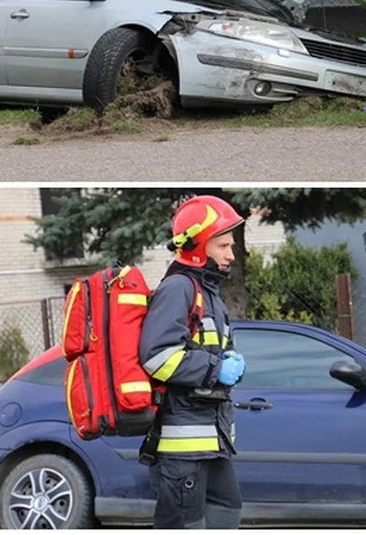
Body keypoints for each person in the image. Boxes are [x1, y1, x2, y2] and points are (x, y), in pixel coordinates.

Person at [139, 195, 247, 529]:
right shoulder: (178, 289)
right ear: (198, 246)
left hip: (213, 443)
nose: (231, 253)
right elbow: (156, 357)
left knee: (228, 511)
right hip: (183, 449)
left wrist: (229, 361)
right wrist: (217, 369)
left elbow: (206, 352)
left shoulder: (210, 294)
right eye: (223, 245)